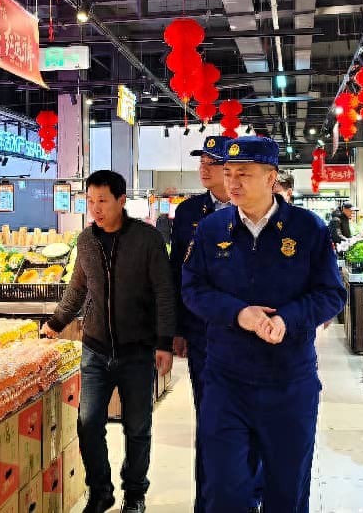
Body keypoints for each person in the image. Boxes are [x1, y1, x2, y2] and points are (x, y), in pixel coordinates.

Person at [182, 136, 345, 512]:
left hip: (289, 382)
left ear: (271, 178)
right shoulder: (211, 230)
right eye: (228, 173)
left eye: (244, 173)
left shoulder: (308, 229)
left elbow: (331, 294)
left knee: (286, 492)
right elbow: (192, 289)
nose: (232, 182)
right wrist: (238, 313)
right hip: (226, 382)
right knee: (224, 491)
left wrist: (288, 319)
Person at [41, 170, 175, 513]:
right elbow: (77, 288)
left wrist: (164, 342)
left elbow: (164, 292)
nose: (95, 208)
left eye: (102, 200)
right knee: (88, 424)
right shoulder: (86, 240)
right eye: (90, 201)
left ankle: (135, 493)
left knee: (137, 427)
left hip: (138, 351)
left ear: (121, 200)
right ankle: (100, 491)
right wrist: (55, 323)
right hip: (96, 350)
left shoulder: (147, 239)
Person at [167, 135, 230, 513]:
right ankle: (207, 500)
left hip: (249, 335)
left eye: (212, 162)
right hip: (202, 332)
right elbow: (176, 271)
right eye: (201, 162)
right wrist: (175, 328)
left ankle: (248, 496)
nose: (204, 169)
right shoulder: (189, 211)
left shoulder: (258, 210)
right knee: (208, 416)